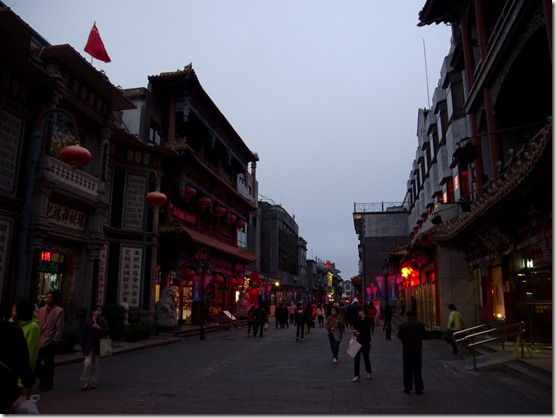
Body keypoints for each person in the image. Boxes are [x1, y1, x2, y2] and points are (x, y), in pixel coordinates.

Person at [0, 307, 35, 414]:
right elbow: (23, 359)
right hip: (6, 383)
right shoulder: (13, 330)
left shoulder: (17, 330)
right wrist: (27, 383)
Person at [36, 291, 65, 392]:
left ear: (54, 299)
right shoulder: (41, 310)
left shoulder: (59, 311)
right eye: (47, 297)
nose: (48, 299)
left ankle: (48, 384)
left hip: (50, 341)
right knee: (35, 363)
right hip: (40, 340)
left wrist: (55, 339)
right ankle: (43, 379)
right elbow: (38, 324)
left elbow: (59, 328)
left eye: (50, 298)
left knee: (48, 364)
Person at [11, 299, 40, 390]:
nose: (12, 312)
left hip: (18, 379)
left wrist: (24, 382)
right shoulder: (11, 324)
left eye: (14, 310)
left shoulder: (33, 327)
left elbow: (30, 355)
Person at [397, 310, 427, 395]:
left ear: (407, 315)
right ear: (415, 315)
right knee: (417, 368)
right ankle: (418, 388)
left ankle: (407, 388)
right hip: (417, 349)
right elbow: (424, 336)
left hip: (406, 349)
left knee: (407, 368)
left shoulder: (403, 324)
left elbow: (399, 336)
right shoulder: (419, 324)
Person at [80, 305, 109, 391]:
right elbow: (83, 333)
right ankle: (86, 381)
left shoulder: (102, 321)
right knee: (87, 363)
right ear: (93, 312)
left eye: (100, 310)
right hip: (89, 345)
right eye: (98, 310)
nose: (99, 312)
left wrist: (99, 328)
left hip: (98, 345)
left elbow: (106, 331)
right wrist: (83, 345)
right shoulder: (88, 321)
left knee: (95, 365)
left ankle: (93, 382)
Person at [351, 305, 372, 382]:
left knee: (366, 357)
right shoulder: (356, 319)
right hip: (357, 341)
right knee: (356, 358)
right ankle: (356, 375)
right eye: (359, 311)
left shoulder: (367, 320)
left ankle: (368, 371)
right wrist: (355, 332)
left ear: (364, 312)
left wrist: (361, 333)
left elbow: (367, 330)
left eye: (361, 311)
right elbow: (355, 328)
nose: (359, 312)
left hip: (365, 342)